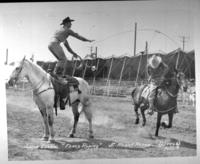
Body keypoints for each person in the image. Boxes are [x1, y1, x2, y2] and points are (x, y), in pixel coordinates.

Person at [48, 16, 94, 110]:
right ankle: (58, 75)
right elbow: (78, 36)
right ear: (66, 23)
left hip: (51, 44)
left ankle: (55, 74)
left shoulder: (61, 32)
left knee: (61, 60)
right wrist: (88, 40)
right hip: (55, 44)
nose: (71, 24)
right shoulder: (67, 30)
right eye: (70, 22)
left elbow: (67, 47)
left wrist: (74, 53)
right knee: (63, 60)